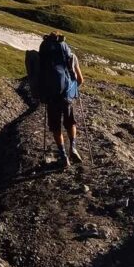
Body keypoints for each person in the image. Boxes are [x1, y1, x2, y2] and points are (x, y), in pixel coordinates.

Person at [38, 31, 85, 166]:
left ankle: (63, 156)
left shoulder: (44, 56)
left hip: (52, 97)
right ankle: (73, 147)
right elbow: (80, 80)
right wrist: (72, 89)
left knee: (56, 127)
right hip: (66, 96)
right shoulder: (71, 57)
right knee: (70, 123)